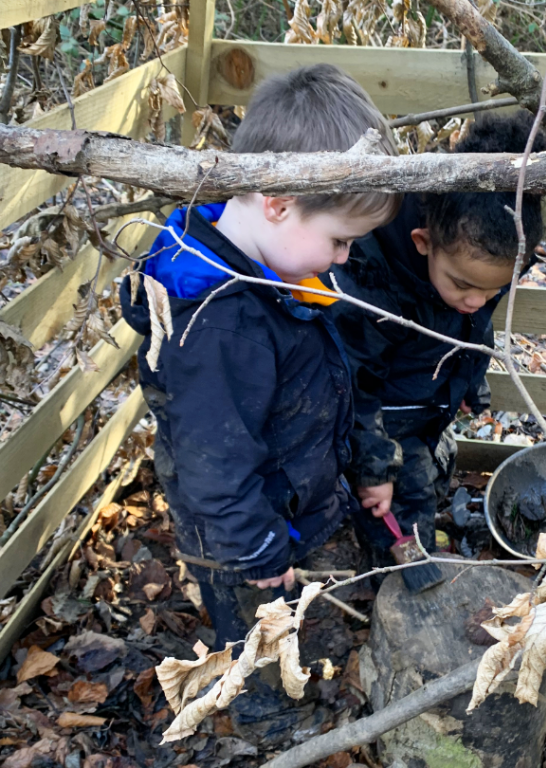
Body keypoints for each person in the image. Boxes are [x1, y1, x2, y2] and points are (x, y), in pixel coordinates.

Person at [120, 64, 400, 651]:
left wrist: (364, 466)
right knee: (257, 651)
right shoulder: (221, 323)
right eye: (340, 240)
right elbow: (213, 459)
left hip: (292, 499)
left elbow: (326, 381)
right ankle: (268, 723)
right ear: (277, 203)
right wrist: (256, 550)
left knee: (308, 631)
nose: (346, 258)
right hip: (240, 537)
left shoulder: (281, 273)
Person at [325, 111, 546, 569]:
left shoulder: (484, 259)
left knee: (426, 475)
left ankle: (405, 533)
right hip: (378, 421)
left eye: (493, 290)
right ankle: (404, 575)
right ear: (423, 241)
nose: (476, 300)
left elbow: (473, 323)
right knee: (399, 504)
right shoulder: (369, 280)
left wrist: (468, 382)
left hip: (424, 399)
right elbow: (352, 381)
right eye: (463, 286)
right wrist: (374, 469)